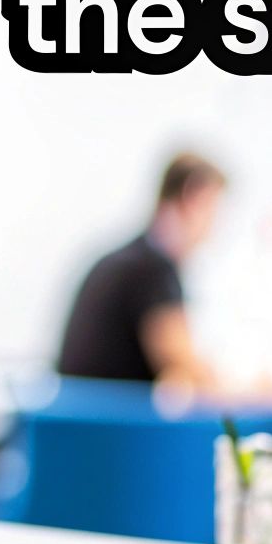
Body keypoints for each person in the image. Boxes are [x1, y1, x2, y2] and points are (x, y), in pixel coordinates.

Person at [57, 153, 226, 390]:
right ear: (194, 197)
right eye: (214, 209)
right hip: (107, 420)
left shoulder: (130, 259)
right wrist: (250, 391)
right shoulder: (152, 269)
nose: (215, 227)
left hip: (77, 414)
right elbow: (188, 367)